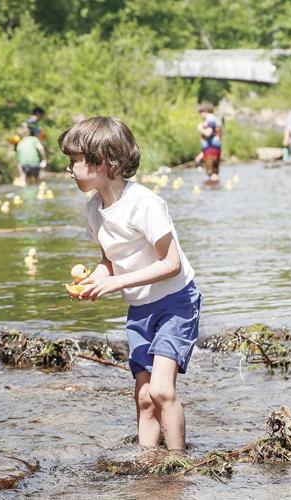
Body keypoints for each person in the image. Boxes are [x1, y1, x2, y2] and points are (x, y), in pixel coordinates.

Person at [59, 117, 201, 456]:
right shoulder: (94, 210)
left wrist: (115, 282)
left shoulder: (145, 204)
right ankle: (148, 461)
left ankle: (178, 466)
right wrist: (95, 279)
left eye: (73, 161)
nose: (69, 170)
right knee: (143, 395)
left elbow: (171, 264)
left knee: (162, 392)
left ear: (101, 162)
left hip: (176, 302)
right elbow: (110, 259)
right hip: (140, 308)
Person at [195, 102, 223, 182]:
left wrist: (200, 128)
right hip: (212, 149)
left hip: (211, 150)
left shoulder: (210, 119)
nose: (200, 115)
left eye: (200, 112)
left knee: (211, 172)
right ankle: (214, 191)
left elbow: (208, 133)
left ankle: (213, 192)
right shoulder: (214, 119)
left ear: (205, 111)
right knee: (213, 172)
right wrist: (202, 153)